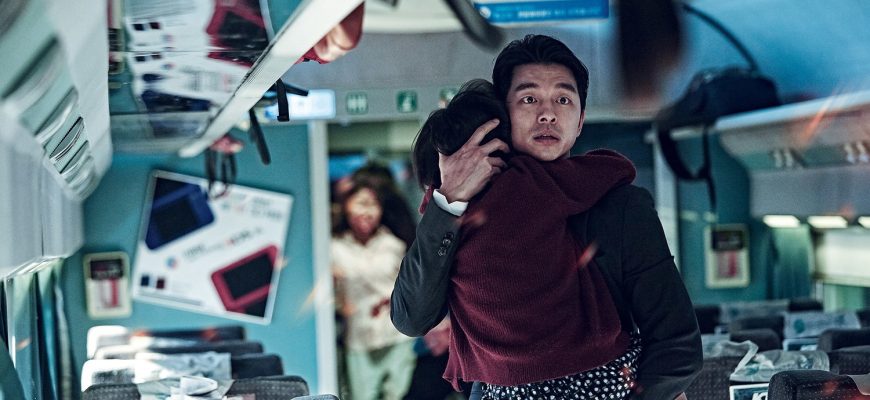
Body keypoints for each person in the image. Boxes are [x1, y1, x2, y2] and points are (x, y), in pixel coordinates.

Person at [391, 34, 703, 400]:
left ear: (580, 121)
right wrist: (449, 201)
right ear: (503, 116)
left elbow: (677, 346)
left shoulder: (619, 206)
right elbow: (411, 317)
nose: (548, 114)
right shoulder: (465, 209)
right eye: (529, 99)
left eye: (563, 99)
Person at [332, 174, 417, 400]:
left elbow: (410, 286)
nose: (367, 212)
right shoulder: (334, 248)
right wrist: (340, 304)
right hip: (359, 336)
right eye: (360, 204)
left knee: (396, 394)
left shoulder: (394, 244)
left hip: (395, 333)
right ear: (347, 207)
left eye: (373, 205)